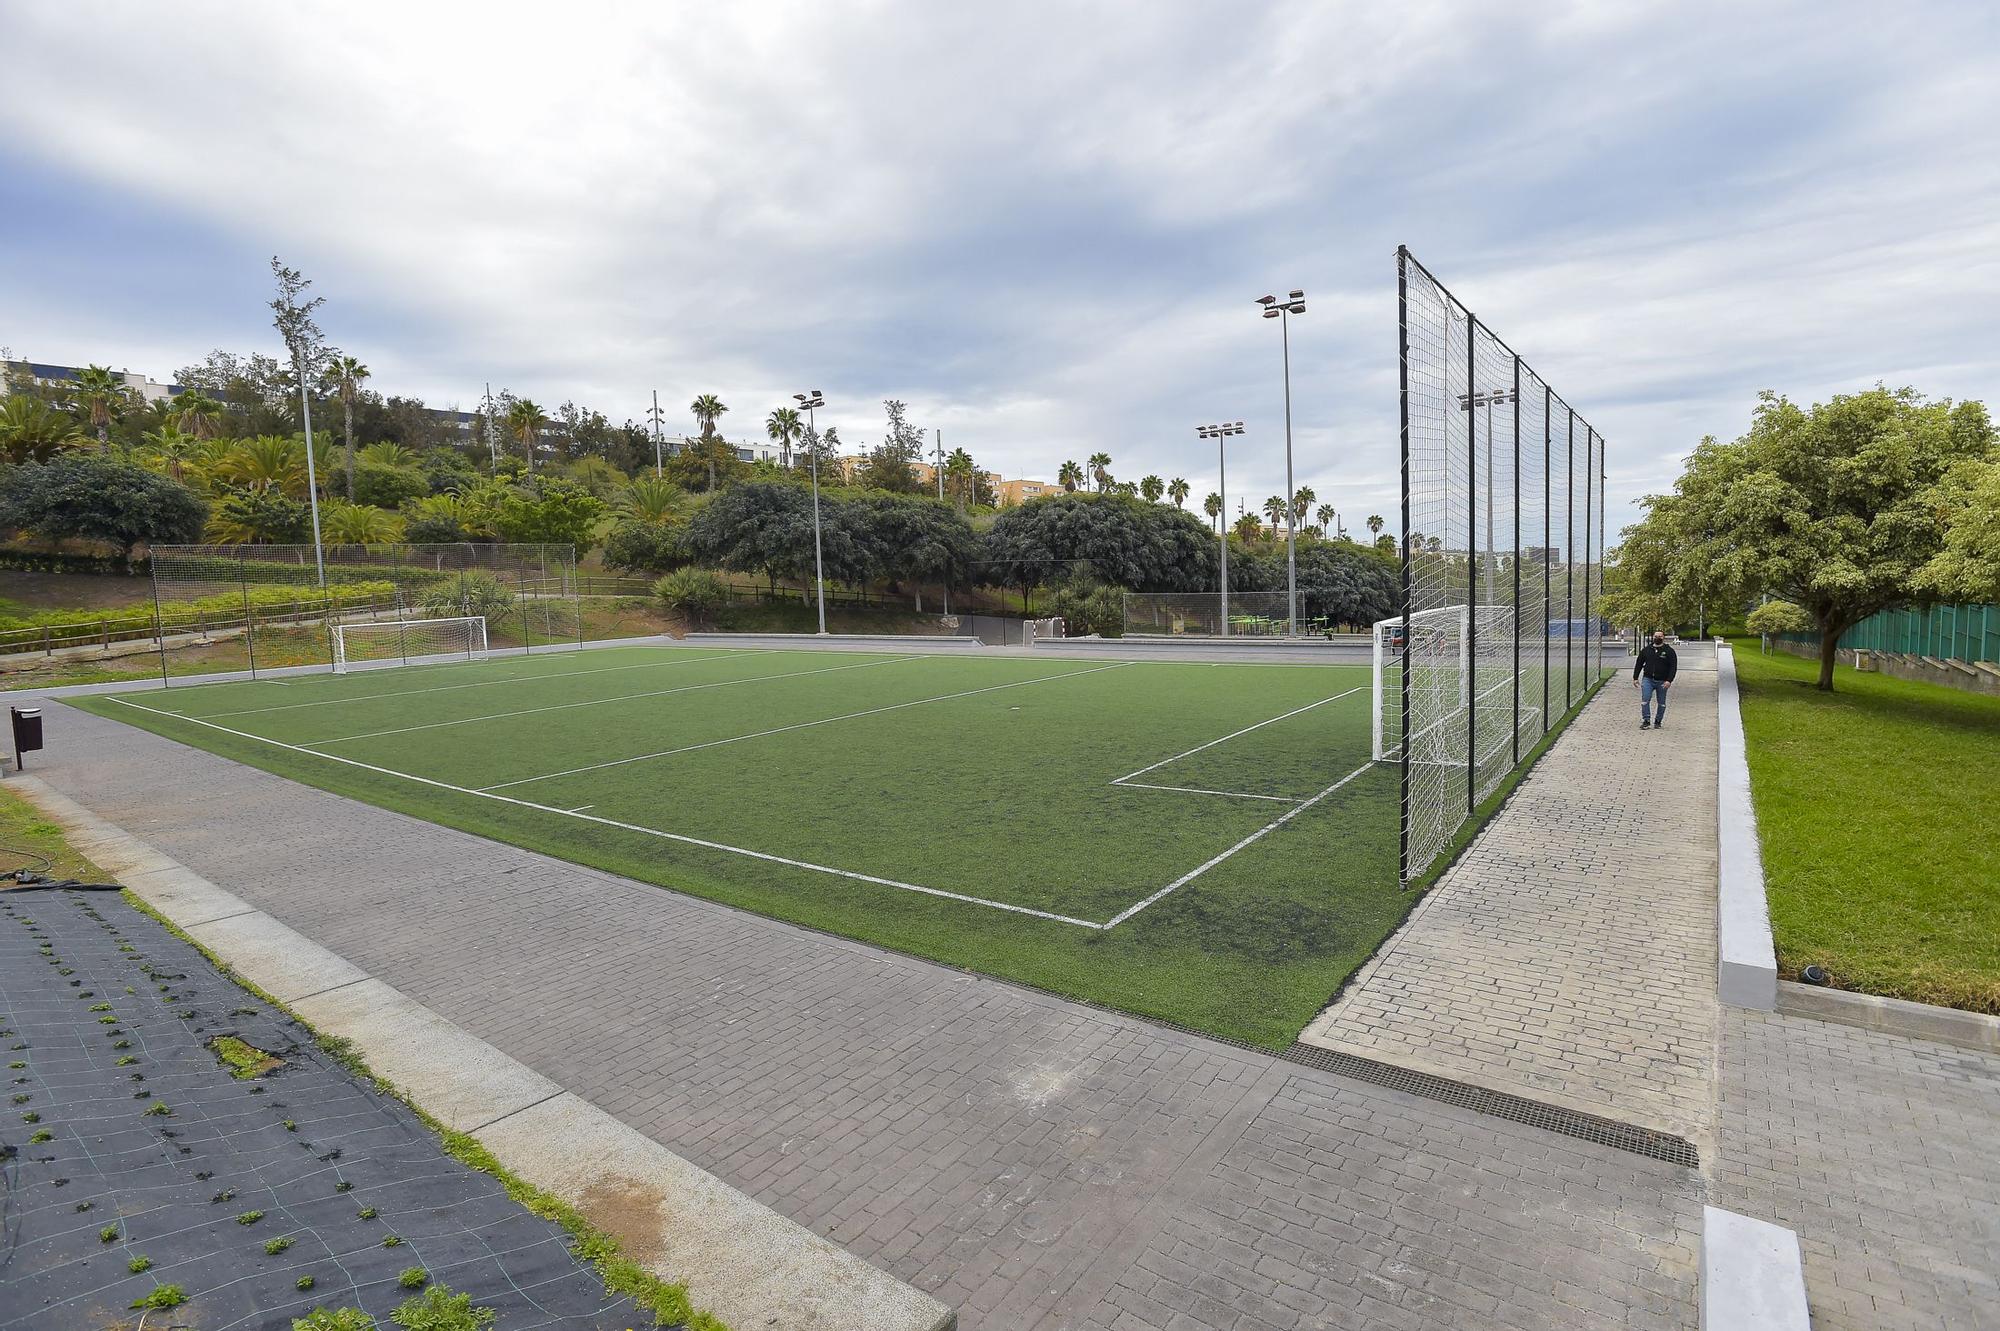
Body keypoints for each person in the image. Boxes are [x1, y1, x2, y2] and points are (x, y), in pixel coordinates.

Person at [1633, 629, 1677, 729]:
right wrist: (1635, 677)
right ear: (1653, 637)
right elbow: (1639, 663)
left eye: (1660, 636)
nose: (1657, 638)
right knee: (1645, 700)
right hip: (1648, 679)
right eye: (1656, 636)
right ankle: (1646, 720)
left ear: (1663, 638)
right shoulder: (1646, 650)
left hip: (1662, 681)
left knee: (1661, 703)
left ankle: (1658, 721)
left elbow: (1673, 667)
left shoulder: (1669, 651)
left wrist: (1669, 680)